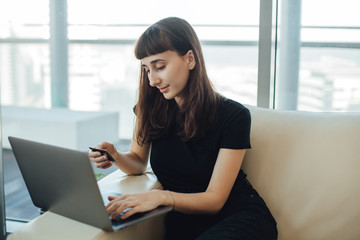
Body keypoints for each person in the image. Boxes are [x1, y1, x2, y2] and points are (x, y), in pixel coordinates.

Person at [89, 17, 277, 240]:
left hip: (239, 219)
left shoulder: (233, 116)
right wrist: (115, 156)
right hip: (185, 223)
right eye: (147, 70)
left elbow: (215, 200)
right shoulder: (149, 109)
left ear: (190, 59)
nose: (152, 80)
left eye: (160, 67)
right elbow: (138, 163)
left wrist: (162, 198)